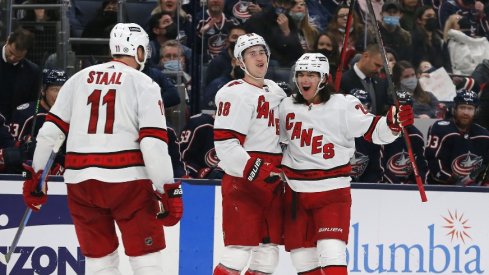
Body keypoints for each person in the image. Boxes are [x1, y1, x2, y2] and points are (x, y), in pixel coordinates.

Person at [21, 23, 183, 274]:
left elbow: (49, 134)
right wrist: (167, 189)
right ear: (138, 50)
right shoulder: (145, 83)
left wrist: (36, 178)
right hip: (128, 181)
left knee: (99, 261)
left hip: (81, 182)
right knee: (145, 259)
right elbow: (152, 144)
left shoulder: (77, 78)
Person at [278, 52, 414, 274]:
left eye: (311, 75)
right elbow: (274, 140)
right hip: (294, 192)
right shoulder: (286, 106)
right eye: (301, 74)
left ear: (323, 78)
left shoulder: (344, 105)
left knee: (331, 251)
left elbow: (373, 130)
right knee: (302, 258)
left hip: (331, 191)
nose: (305, 80)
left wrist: (392, 124)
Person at [212, 33, 287, 274]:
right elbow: (225, 145)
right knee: (238, 251)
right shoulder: (234, 93)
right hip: (244, 179)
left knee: (268, 254)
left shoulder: (276, 90)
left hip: (273, 177)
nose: (259, 57)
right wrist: (258, 171)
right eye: (251, 53)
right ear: (240, 62)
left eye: (262, 52)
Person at [426, 89, 489, 185]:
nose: (466, 113)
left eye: (470, 108)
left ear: (476, 111)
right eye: (462, 108)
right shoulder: (440, 129)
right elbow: (432, 161)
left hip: (473, 192)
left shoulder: (484, 135)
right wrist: (456, 181)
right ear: (454, 109)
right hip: (438, 189)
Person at [381, 90, 429, 184]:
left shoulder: (416, 136)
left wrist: (411, 185)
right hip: (384, 187)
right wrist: (397, 185)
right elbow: (377, 166)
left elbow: (420, 167)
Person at [244, 0, 304, 67]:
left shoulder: (290, 21)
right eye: (280, 2)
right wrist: (282, 61)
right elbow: (262, 47)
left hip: (286, 62)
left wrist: (286, 32)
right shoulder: (258, 19)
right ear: (273, 2)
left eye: (286, 4)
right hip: (266, 61)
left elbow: (298, 52)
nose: (283, 6)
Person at [0, 27, 41, 122]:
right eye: (10, 52)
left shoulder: (32, 72)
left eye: (19, 57)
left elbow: (32, 102)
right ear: (8, 41)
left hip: (14, 122)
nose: (12, 57)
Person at [340, 44, 391, 115]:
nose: (379, 70)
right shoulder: (343, 81)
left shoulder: (381, 83)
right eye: (377, 65)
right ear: (366, 56)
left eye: (381, 67)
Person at [349, 89, 383, 183]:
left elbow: (375, 170)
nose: (360, 112)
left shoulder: (374, 136)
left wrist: (365, 187)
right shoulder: (336, 131)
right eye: (356, 108)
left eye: (365, 107)